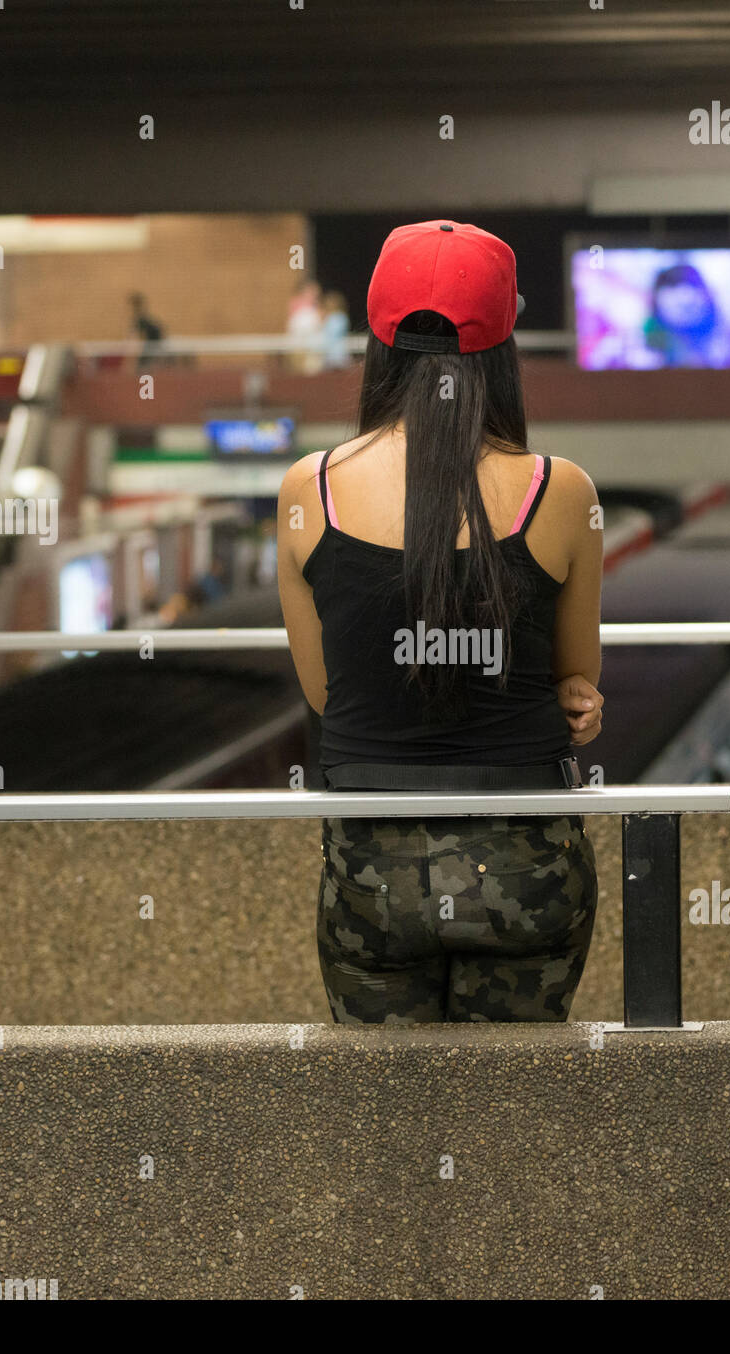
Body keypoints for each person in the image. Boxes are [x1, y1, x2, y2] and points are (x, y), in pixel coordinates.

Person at [277, 219, 605, 1025]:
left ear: (378, 344)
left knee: (389, 1129)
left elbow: (328, 695)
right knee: (513, 1120)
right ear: (502, 350)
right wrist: (574, 700)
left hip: (372, 873)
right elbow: (577, 680)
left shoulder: (307, 491)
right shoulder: (560, 492)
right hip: (527, 870)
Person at [128, 293, 165, 370]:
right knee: (143, 364)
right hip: (151, 342)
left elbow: (135, 333)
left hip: (154, 341)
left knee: (144, 364)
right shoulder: (140, 317)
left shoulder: (141, 317)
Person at [320, 290, 352, 369]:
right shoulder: (337, 317)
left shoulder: (338, 318)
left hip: (338, 353)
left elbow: (333, 334)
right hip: (330, 353)